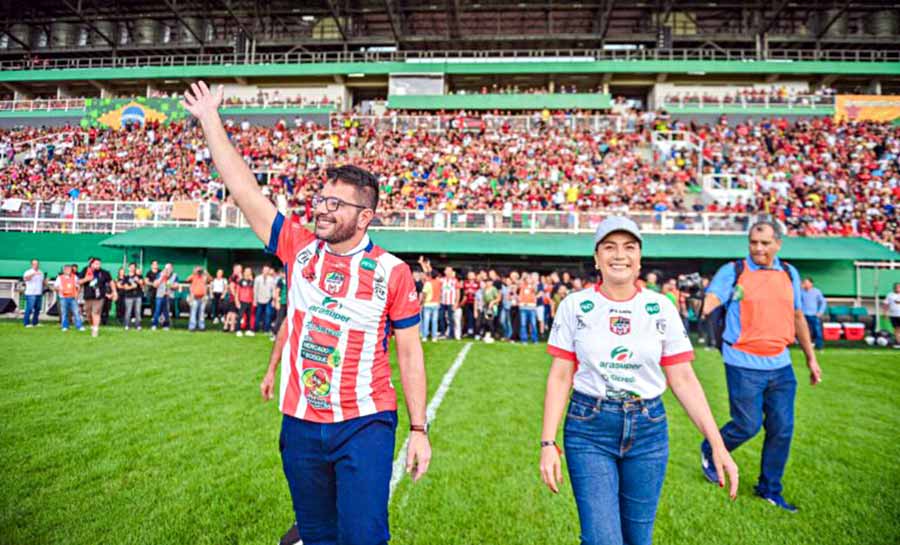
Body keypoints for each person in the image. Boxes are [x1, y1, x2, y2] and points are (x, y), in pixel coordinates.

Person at [183, 79, 430, 545]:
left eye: (337, 204)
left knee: (364, 535)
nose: (322, 209)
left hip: (365, 421)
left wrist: (419, 429)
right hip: (299, 421)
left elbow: (411, 355)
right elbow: (244, 190)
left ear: (365, 217)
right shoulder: (299, 249)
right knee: (316, 536)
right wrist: (211, 120)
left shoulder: (392, 272)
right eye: (321, 199)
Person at [540, 217, 738, 545]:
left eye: (629, 247)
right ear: (597, 258)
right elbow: (560, 376)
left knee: (638, 539)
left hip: (648, 430)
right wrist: (548, 444)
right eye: (610, 247)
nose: (620, 255)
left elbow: (684, 378)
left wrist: (718, 445)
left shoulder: (660, 307)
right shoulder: (575, 306)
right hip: (589, 428)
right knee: (602, 539)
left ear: (639, 259)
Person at [700, 219, 821, 512]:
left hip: (781, 365)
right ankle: (711, 448)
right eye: (754, 242)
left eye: (765, 243)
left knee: (782, 429)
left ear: (777, 244)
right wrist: (710, 303)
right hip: (742, 362)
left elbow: (798, 316)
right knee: (747, 425)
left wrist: (810, 358)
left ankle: (769, 489)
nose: (758, 248)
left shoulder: (789, 273)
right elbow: (712, 299)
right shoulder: (734, 271)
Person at [80, 258, 117, 338]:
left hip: (99, 297)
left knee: (96, 312)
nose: (98, 265)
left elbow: (111, 282)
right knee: (88, 314)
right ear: (92, 264)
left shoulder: (104, 273)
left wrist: (114, 292)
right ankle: (93, 326)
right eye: (96, 264)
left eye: (99, 264)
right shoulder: (85, 270)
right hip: (88, 296)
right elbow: (79, 282)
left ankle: (95, 329)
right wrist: (86, 279)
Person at [800, 277, 827, 350]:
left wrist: (820, 312)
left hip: (814, 315)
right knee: (804, 332)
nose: (805, 284)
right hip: (803, 315)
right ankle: (805, 347)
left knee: (818, 332)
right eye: (804, 282)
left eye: (806, 282)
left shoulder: (817, 292)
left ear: (811, 283)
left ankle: (819, 347)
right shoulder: (801, 292)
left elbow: (823, 302)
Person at [55, 264, 84, 332]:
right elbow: (55, 286)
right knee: (64, 312)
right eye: (67, 269)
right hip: (63, 297)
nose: (68, 271)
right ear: (64, 270)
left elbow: (78, 286)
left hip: (73, 297)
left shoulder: (75, 277)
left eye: (69, 269)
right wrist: (59, 289)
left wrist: (77, 293)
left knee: (76, 312)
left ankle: (79, 326)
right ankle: (65, 326)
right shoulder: (59, 277)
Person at [151, 263, 177, 330]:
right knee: (157, 310)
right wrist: (161, 277)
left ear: (172, 269)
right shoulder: (160, 274)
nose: (167, 270)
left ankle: (166, 325)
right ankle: (154, 325)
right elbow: (155, 285)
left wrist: (169, 285)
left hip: (168, 296)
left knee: (166, 312)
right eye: (166, 268)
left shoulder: (174, 275)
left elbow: (176, 286)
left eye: (169, 268)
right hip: (159, 295)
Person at [419, 267, 441, 342]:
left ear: (430, 276)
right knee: (435, 321)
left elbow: (424, 294)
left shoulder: (428, 283)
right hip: (436, 303)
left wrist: (421, 302)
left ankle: (425, 336)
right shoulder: (439, 282)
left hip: (428, 304)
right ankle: (434, 337)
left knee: (426, 320)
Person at [22, 259, 45, 328]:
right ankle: (26, 323)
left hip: (39, 293)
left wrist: (45, 282)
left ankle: (35, 322)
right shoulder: (28, 272)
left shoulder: (41, 272)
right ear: (32, 265)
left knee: (38, 308)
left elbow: (42, 282)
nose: (36, 265)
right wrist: (33, 274)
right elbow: (26, 279)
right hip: (30, 293)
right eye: (34, 264)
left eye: (37, 264)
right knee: (29, 308)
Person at [121, 263, 144, 330]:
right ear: (128, 268)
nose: (132, 268)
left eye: (133, 267)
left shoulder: (139, 276)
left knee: (138, 311)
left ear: (135, 268)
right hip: (129, 296)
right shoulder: (126, 277)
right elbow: (125, 287)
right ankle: (127, 325)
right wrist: (132, 287)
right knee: (128, 311)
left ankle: (138, 325)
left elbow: (142, 285)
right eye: (131, 267)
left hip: (138, 296)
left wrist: (138, 281)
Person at [254, 265, 276, 335]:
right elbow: (255, 290)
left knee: (268, 315)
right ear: (262, 270)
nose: (266, 271)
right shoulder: (257, 278)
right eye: (265, 270)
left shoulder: (271, 279)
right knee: (258, 315)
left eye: (267, 270)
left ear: (269, 271)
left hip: (268, 299)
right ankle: (256, 329)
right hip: (259, 299)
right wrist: (255, 300)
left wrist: (273, 300)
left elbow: (273, 290)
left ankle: (266, 330)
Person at [440, 266, 460, 339]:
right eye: (447, 270)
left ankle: (451, 334)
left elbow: (458, 292)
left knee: (451, 319)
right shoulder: (441, 280)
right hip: (442, 302)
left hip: (451, 302)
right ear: (444, 272)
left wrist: (456, 302)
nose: (448, 272)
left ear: (452, 272)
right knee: (441, 318)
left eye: (450, 271)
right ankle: (442, 333)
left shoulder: (455, 281)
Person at [186, 266, 209, 331]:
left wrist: (206, 273)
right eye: (198, 270)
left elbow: (210, 279)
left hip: (203, 297)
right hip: (194, 297)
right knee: (193, 312)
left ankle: (201, 327)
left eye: (200, 270)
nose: (199, 272)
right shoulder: (193, 276)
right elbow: (187, 279)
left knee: (202, 313)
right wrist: (194, 273)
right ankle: (192, 327)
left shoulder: (204, 277)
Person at [236, 267, 255, 337]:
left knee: (249, 316)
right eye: (247, 271)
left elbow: (252, 291)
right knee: (240, 316)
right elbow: (237, 292)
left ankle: (248, 330)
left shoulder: (252, 281)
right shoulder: (240, 281)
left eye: (249, 271)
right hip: (242, 301)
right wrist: (237, 301)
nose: (248, 273)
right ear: (244, 272)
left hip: (250, 301)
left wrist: (253, 300)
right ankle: (238, 330)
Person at [882, 282, 900, 348]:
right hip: (893, 315)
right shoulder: (890, 295)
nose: (897, 288)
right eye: (896, 287)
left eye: (899, 287)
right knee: (896, 329)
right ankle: (898, 342)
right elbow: (885, 304)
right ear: (894, 288)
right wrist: (885, 312)